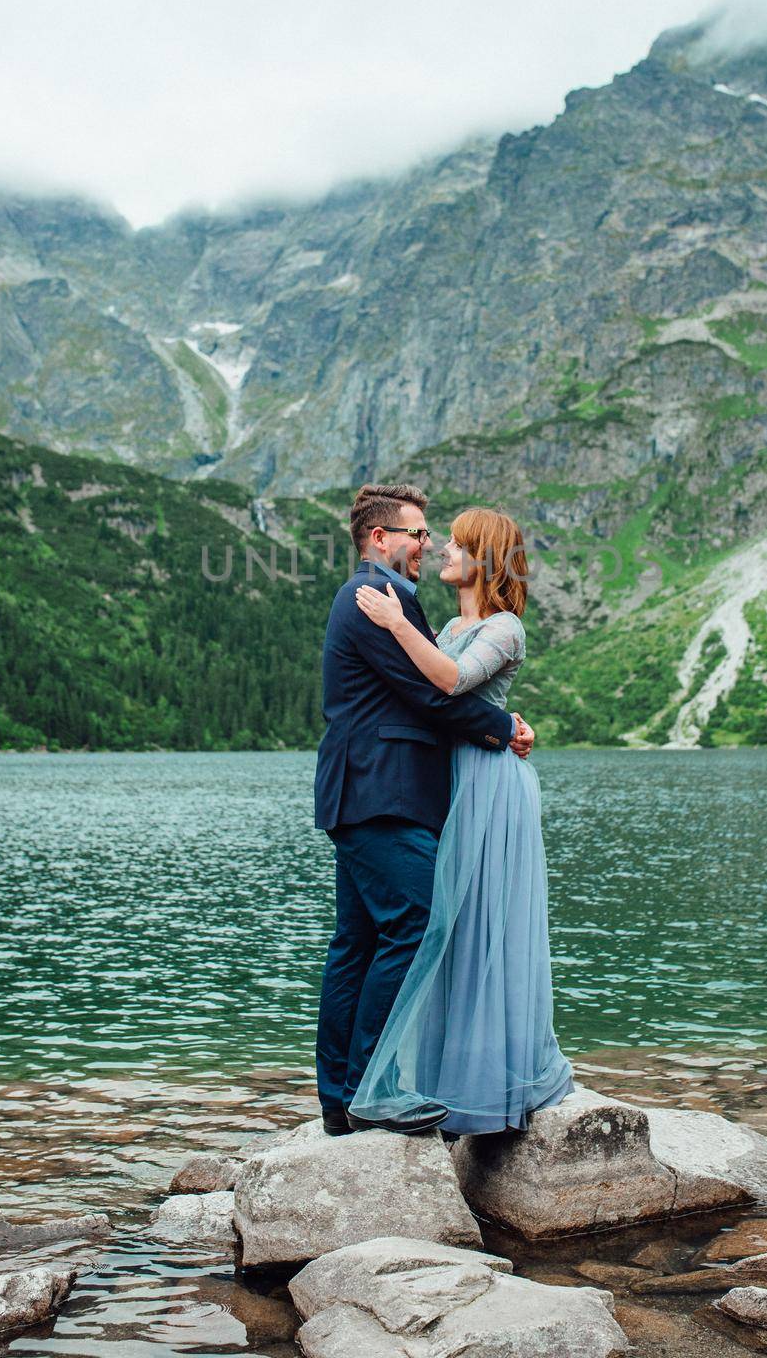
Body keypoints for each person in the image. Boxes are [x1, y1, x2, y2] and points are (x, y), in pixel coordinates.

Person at [313, 482, 536, 1136]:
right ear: (381, 538)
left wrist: (501, 722)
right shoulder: (378, 599)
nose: (427, 544)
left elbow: (429, 690)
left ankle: (341, 1100)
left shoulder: (387, 601)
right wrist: (503, 728)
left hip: (366, 790)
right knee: (416, 923)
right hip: (384, 792)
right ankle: (369, 1090)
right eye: (416, 533)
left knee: (356, 944)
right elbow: (430, 696)